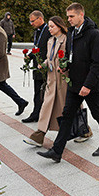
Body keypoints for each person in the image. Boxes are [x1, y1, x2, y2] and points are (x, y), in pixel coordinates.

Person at [38, 3, 99, 161]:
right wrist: (65, 67)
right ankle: (57, 151)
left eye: (71, 16)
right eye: (68, 16)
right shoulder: (72, 32)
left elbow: (98, 63)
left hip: (89, 84)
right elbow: (70, 55)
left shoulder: (94, 34)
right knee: (67, 116)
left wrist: (88, 85)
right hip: (74, 83)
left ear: (81, 15)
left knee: (98, 113)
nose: (69, 20)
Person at [24, 17, 69, 146]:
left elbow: (67, 58)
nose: (49, 29)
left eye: (52, 26)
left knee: (68, 108)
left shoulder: (66, 40)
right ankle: (39, 135)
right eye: (48, 26)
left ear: (59, 26)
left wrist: (64, 66)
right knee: (46, 106)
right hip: (51, 80)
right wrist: (43, 64)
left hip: (62, 81)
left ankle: (83, 129)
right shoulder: (50, 41)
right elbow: (49, 58)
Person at [22, 11, 52, 124]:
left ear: (40, 19)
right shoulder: (37, 32)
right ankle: (36, 113)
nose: (31, 23)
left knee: (45, 92)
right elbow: (37, 47)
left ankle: (44, 114)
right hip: (37, 66)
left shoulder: (48, 30)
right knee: (37, 92)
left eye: (33, 21)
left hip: (45, 66)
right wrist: (29, 56)